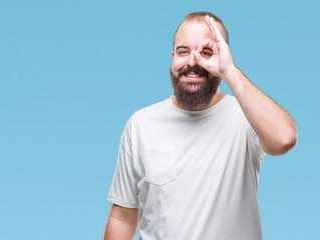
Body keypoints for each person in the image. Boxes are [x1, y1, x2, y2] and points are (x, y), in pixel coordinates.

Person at [102, 11, 298, 240]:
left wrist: (229, 72)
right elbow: (123, 217)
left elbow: (284, 139)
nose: (192, 61)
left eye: (206, 52)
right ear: (173, 57)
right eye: (183, 51)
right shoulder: (140, 124)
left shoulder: (245, 115)